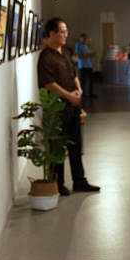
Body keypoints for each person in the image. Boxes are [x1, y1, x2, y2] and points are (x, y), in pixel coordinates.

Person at [37, 18, 100, 195]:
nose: (65, 35)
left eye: (66, 32)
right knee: (58, 147)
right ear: (51, 34)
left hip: (72, 108)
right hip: (57, 110)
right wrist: (68, 96)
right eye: (62, 32)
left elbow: (73, 74)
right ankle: (59, 183)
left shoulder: (64, 52)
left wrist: (78, 90)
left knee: (76, 146)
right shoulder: (45, 57)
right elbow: (48, 83)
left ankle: (79, 180)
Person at [74, 32, 97, 98]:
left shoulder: (86, 45)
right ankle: (83, 93)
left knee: (91, 79)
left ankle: (90, 93)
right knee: (83, 80)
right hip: (83, 65)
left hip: (88, 64)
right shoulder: (78, 45)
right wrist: (88, 55)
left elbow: (87, 54)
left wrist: (91, 55)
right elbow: (78, 55)